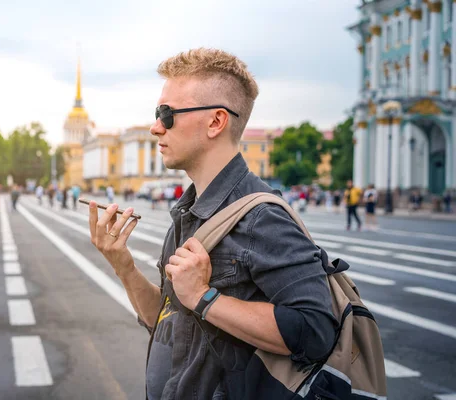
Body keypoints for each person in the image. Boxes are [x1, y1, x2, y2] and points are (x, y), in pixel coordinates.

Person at [86, 48, 337, 399]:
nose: (155, 126)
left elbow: (316, 331)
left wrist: (205, 298)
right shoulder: (188, 211)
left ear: (216, 122)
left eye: (167, 114)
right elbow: (166, 323)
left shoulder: (262, 217)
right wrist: (124, 267)